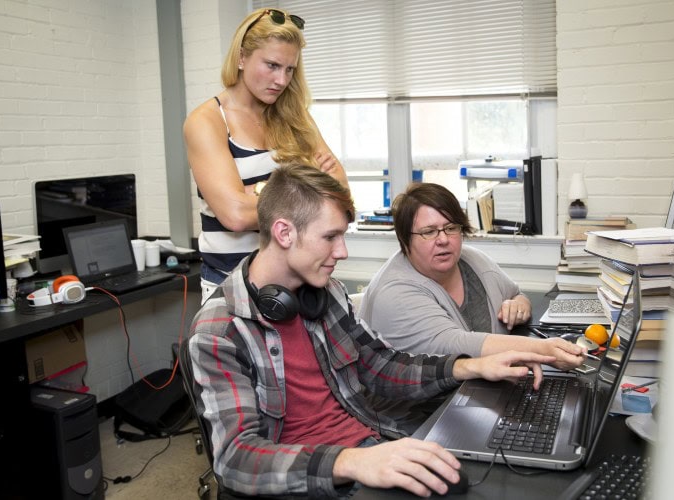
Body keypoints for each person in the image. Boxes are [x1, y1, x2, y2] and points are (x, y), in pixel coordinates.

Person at [187, 165, 555, 498]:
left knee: (498, 480)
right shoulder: (219, 330)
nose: (342, 251)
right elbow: (236, 459)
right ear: (284, 232)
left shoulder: (324, 294)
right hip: (315, 480)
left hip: (372, 442)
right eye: (330, 237)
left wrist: (469, 367)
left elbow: (380, 365)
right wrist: (352, 463)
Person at [183, 8, 348, 303]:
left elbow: (341, 197)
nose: (281, 80)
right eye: (272, 65)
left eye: (289, 69)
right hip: (231, 286)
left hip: (296, 285)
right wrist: (308, 187)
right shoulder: (207, 121)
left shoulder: (297, 118)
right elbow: (235, 216)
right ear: (242, 58)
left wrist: (254, 191)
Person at [359, 182, 585, 371]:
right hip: (416, 415)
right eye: (428, 232)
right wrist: (543, 350)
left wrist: (519, 305)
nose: (443, 239)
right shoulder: (394, 292)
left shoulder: (472, 260)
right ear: (405, 241)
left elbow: (516, 294)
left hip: (477, 392)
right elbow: (455, 345)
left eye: (450, 228)